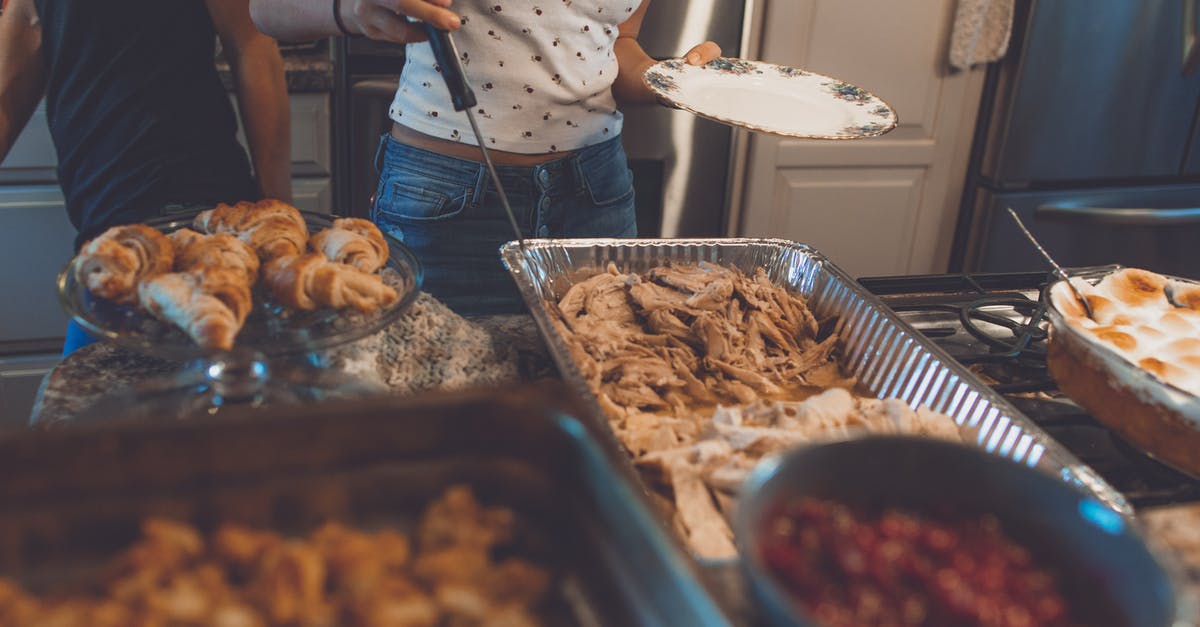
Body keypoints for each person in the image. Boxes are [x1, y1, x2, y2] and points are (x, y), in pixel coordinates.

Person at [250, 0, 720, 314]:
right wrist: (352, 8)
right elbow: (266, 10)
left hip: (595, 193)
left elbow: (616, 44)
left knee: (592, 401)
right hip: (446, 198)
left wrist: (670, 79)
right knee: (436, 413)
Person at [0, 0, 293, 354]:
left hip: (188, 212)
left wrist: (278, 213)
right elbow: (8, 94)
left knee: (201, 386)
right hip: (105, 222)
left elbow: (252, 46)